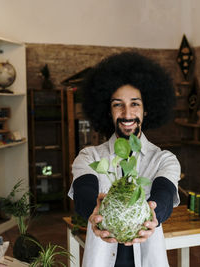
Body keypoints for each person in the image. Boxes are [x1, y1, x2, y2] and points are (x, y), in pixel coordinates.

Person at [67, 51, 181, 267]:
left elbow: (164, 192)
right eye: (118, 104)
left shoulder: (163, 159)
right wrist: (94, 209)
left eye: (135, 104)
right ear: (108, 111)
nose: (127, 113)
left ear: (147, 110)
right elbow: (84, 191)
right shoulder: (89, 156)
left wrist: (155, 214)